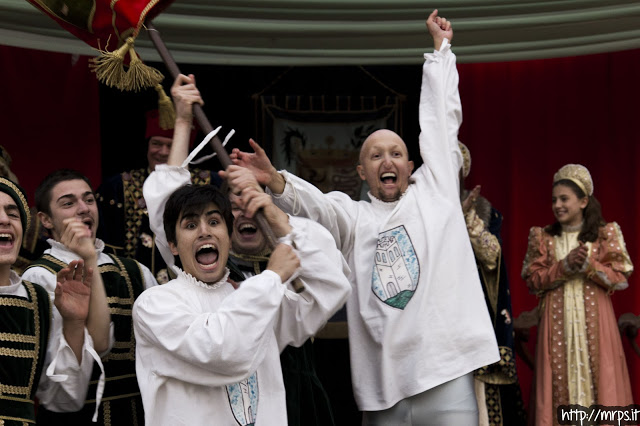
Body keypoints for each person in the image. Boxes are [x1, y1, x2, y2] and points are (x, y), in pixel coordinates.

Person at [231, 10, 499, 425]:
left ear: (411, 165)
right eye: (375, 155)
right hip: (384, 385)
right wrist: (276, 181)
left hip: (444, 373)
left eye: (395, 153)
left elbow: (441, 126)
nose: (386, 160)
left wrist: (440, 54)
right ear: (361, 172)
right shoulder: (355, 218)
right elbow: (318, 206)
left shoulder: (436, 193)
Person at [132, 74, 351, 424]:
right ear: (171, 244)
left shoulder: (253, 295)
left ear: (230, 235)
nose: (205, 231)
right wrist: (183, 120)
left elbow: (331, 284)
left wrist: (274, 214)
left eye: (215, 222)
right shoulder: (156, 306)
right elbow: (223, 350)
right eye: (190, 225)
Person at [23, 169, 158, 425]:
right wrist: (88, 260)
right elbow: (98, 345)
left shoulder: (137, 271)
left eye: (89, 199)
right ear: (46, 220)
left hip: (138, 413)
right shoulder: (39, 277)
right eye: (68, 203)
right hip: (76, 417)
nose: (84, 208)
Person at [521, 163, 633, 425]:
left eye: (564, 199)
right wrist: (564, 266)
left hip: (596, 327)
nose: (557, 205)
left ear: (583, 201)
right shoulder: (544, 237)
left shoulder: (605, 234)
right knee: (558, 382)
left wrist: (588, 266)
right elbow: (532, 280)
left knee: (600, 384)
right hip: (557, 328)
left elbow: (620, 277)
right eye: (554, 200)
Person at [0, 177, 104, 424]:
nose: (4, 220)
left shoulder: (36, 300)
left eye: (12, 214)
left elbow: (65, 399)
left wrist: (74, 324)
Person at [97, 108, 218, 283]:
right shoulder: (117, 187)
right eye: (156, 143)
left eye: (170, 145)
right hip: (136, 286)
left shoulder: (211, 184)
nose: (162, 152)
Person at [458, 142, 526, 426]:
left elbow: (491, 257)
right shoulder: (414, 208)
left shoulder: (482, 211)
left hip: (468, 317)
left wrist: (467, 217)